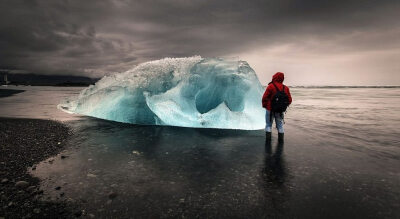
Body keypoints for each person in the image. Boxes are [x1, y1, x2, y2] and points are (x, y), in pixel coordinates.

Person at [262, 72, 292, 141]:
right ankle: (281, 142)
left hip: (270, 109)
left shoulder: (271, 86)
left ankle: (268, 142)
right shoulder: (286, 88)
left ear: (274, 77)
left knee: (268, 125)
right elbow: (290, 100)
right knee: (280, 126)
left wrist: (265, 106)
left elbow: (264, 97)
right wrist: (283, 105)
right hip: (280, 110)